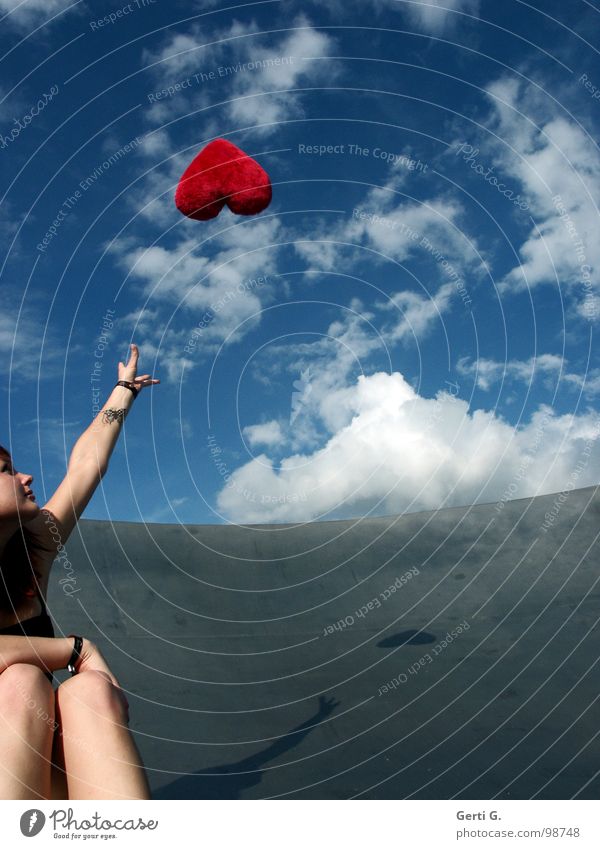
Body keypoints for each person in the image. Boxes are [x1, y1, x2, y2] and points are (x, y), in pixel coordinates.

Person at [0, 343, 159, 800]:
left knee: (86, 691)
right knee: (23, 679)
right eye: (6, 470)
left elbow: (87, 465)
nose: (26, 476)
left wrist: (123, 390)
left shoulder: (33, 548)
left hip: (37, 769)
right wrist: (72, 648)